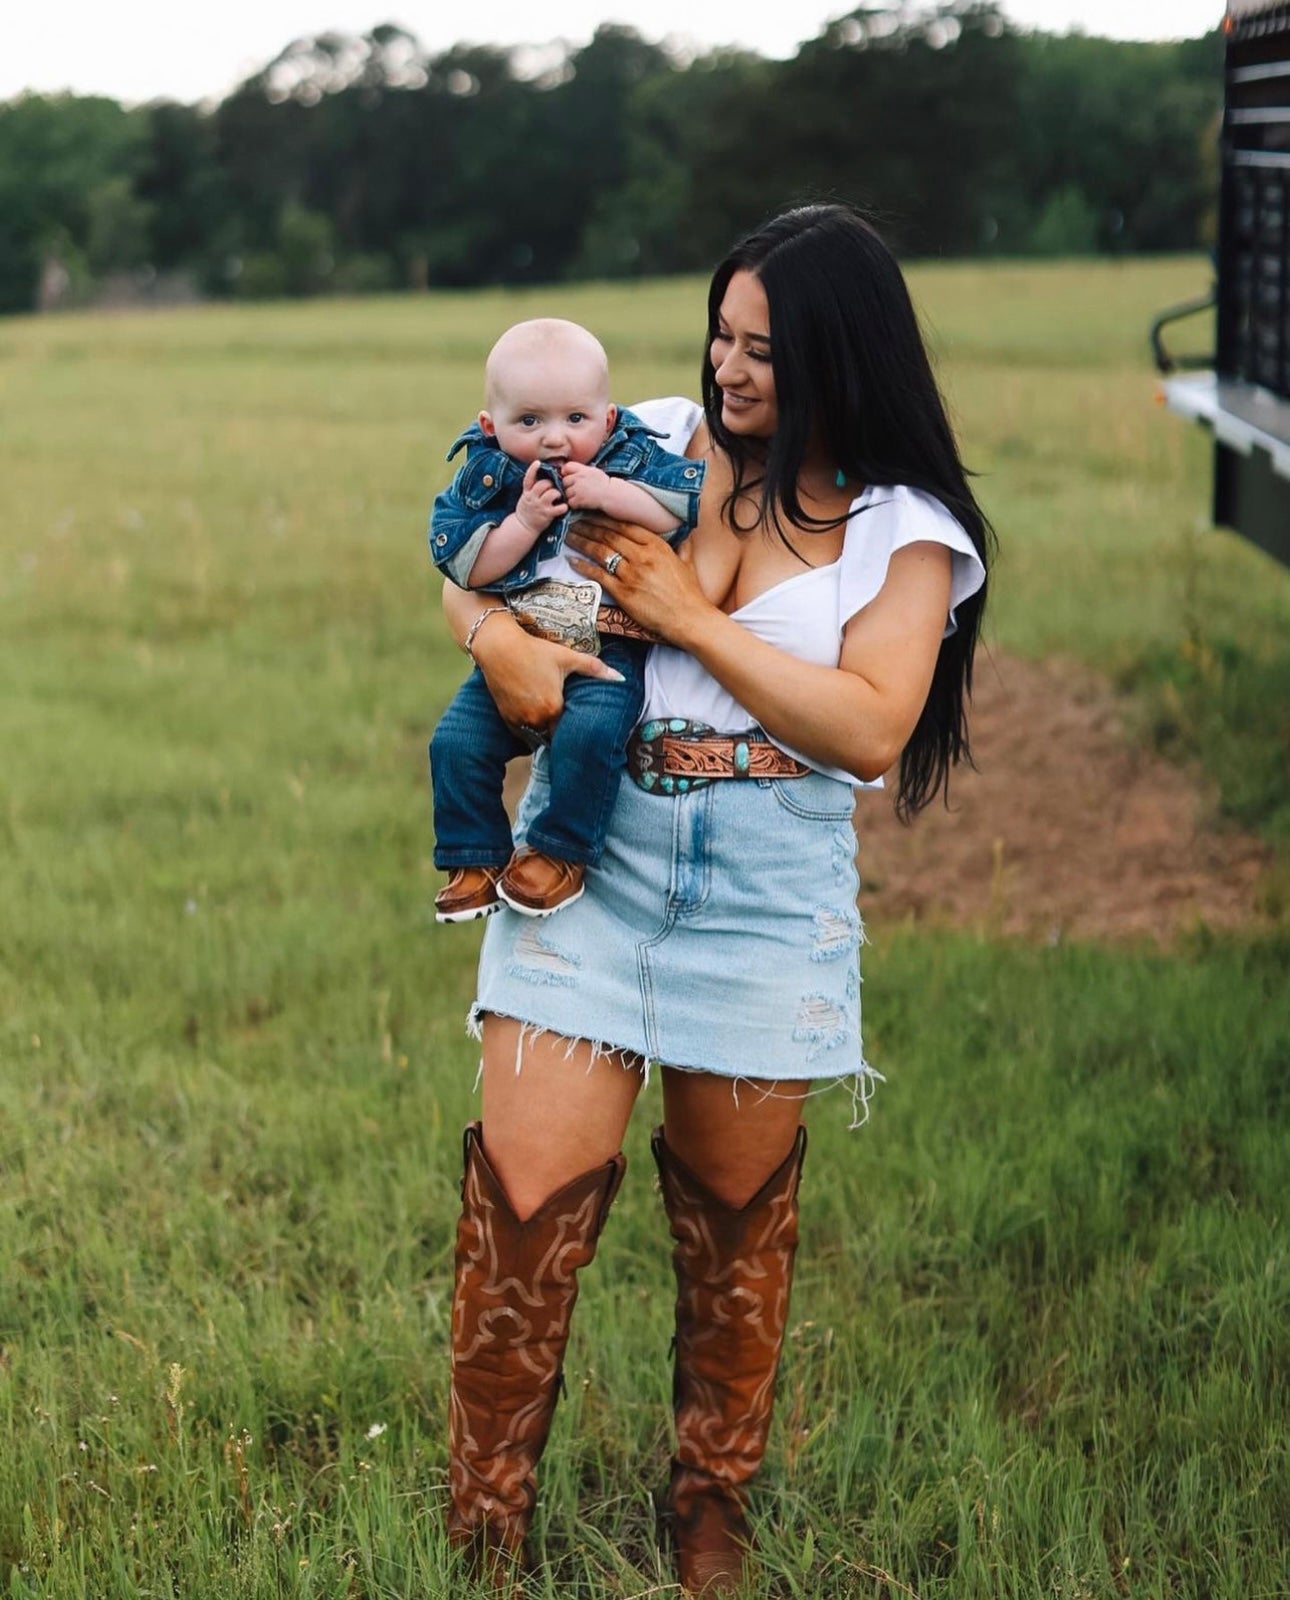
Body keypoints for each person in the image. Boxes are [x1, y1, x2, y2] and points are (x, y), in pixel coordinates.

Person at [436, 204, 992, 1597]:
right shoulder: (650, 439)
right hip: (593, 846)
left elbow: (869, 727)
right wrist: (498, 641)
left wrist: (687, 617)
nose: (730, 369)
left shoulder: (901, 529)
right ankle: (482, 1532)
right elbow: (473, 561)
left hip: (762, 884)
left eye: (766, 350)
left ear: (841, 356)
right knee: (524, 1202)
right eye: (722, 336)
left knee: (735, 1232)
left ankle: (711, 1515)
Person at [428, 318, 704, 921]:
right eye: (529, 421)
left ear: (607, 418)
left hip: (608, 646)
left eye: (575, 419)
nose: (555, 439)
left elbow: (680, 509)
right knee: (456, 742)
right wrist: (523, 522)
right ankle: (473, 856)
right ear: (490, 426)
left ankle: (560, 852)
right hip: (522, 638)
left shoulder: (627, 457)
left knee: (590, 737)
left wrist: (609, 492)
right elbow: (468, 569)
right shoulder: (489, 479)